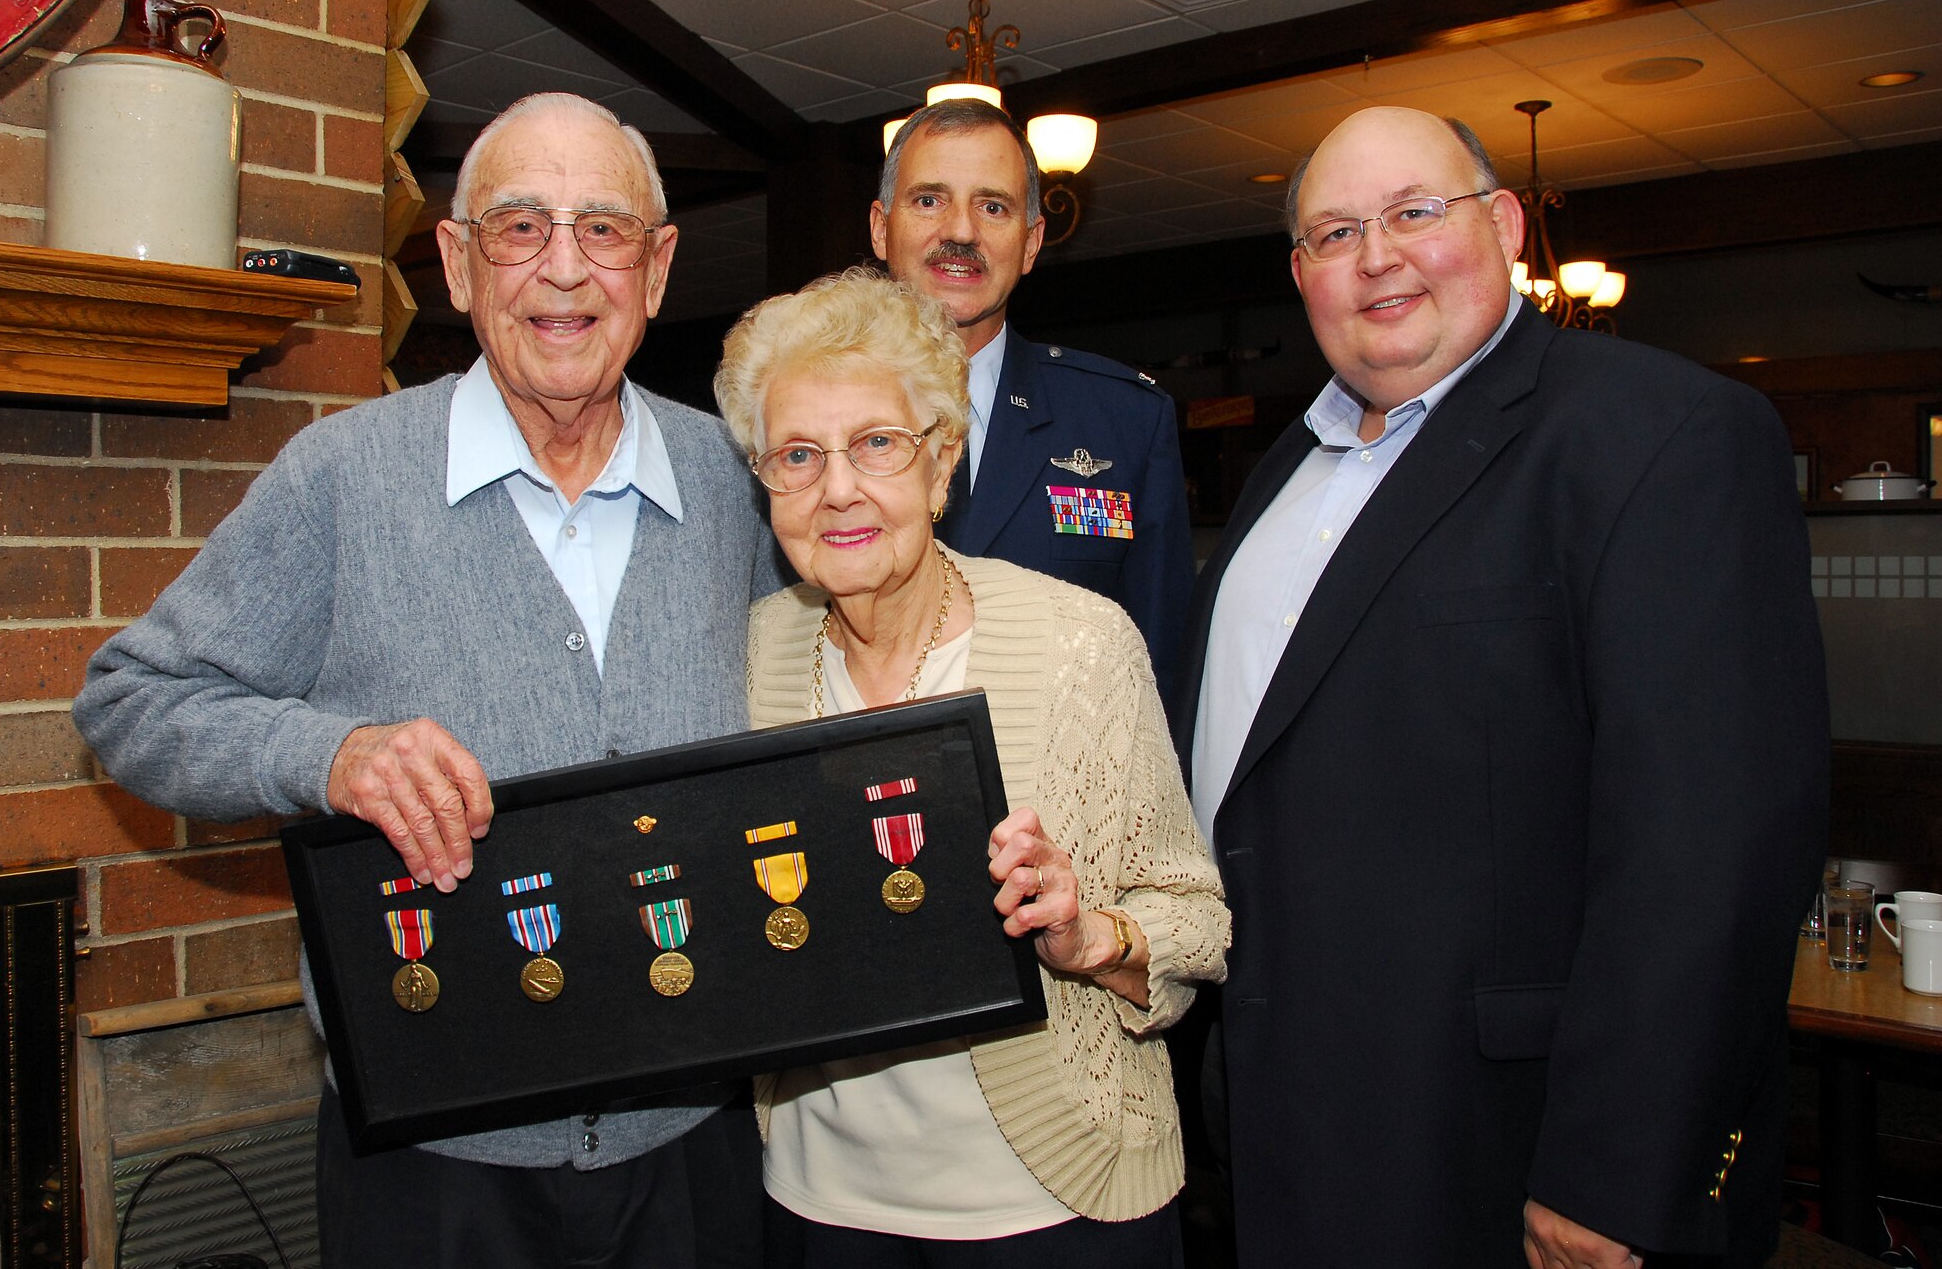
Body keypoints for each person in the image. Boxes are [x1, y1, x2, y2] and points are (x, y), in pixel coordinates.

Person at [73, 92, 779, 1268]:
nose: (563, 269)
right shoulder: (341, 478)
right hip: (428, 1164)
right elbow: (132, 699)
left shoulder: (736, 482)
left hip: (696, 1153)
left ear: (655, 270)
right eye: (518, 226)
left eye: (603, 229)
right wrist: (329, 754)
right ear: (455, 263)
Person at [1172, 106, 1827, 1268]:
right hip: (1285, 1123)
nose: (1375, 255)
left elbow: (1709, 849)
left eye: (1413, 213)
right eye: (1332, 231)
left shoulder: (1659, 436)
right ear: (1297, 272)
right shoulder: (1287, 465)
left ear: (1504, 223)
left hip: (1510, 1150)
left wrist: (1617, 1173)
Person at [714, 266, 1228, 1266]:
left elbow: (1197, 921)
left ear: (941, 460)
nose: (838, 489)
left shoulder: (1081, 642)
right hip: (820, 1205)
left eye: (875, 443)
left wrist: (1089, 936)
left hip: (1054, 1204)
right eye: (796, 455)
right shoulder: (743, 659)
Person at [873, 99, 1195, 687]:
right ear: (880, 226)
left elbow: (1162, 665)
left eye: (992, 207)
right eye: (929, 200)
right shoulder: (805, 418)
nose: (962, 231)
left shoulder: (1125, 421)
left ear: (1030, 243)